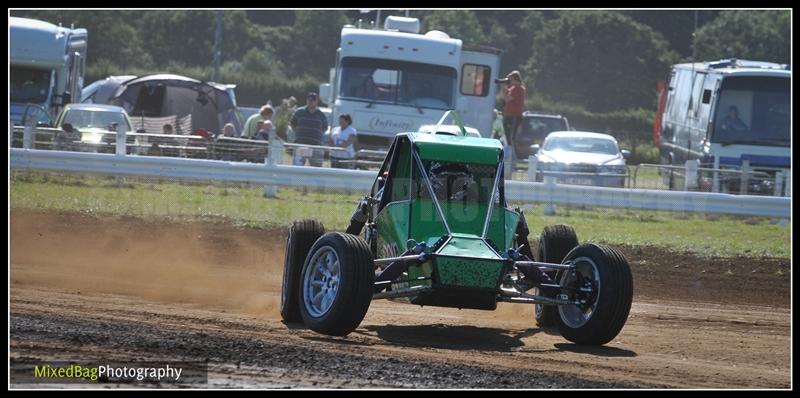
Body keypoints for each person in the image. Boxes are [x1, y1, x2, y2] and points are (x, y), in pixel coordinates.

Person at [290, 92, 329, 167]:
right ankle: (298, 179)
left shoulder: (321, 115)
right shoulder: (299, 112)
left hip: (315, 146)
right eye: (309, 99)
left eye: (313, 100)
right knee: (298, 168)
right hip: (301, 145)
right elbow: (292, 124)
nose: (310, 101)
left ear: (317, 101)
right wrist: (299, 133)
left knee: (316, 170)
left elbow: (324, 128)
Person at [501, 71, 526, 156]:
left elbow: (507, 99)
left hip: (514, 116)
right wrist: (505, 88)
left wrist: (504, 90)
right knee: (508, 136)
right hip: (509, 115)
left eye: (510, 79)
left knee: (511, 137)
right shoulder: (513, 88)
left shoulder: (518, 89)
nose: (509, 81)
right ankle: (509, 155)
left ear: (515, 79)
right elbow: (505, 99)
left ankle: (512, 157)